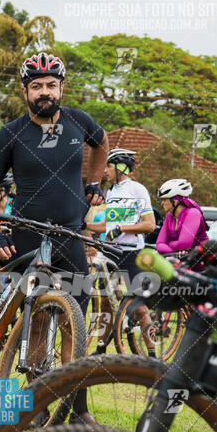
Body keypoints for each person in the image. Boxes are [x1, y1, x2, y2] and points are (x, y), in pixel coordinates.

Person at [0, 51, 109, 424]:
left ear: (62, 87)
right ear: (25, 91)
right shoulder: (10, 134)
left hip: (69, 235)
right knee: (35, 318)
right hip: (26, 234)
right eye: (36, 86)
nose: (45, 92)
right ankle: (36, 402)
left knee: (76, 324)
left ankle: (79, 411)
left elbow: (101, 145)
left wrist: (96, 181)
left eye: (51, 84)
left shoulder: (79, 122)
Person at [86, 148, 157, 356]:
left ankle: (152, 354)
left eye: (108, 166)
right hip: (110, 253)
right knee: (105, 304)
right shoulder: (112, 192)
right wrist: (85, 225)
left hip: (132, 253)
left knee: (140, 308)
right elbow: (109, 225)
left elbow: (149, 224)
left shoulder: (137, 190)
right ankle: (100, 349)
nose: (105, 171)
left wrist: (122, 229)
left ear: (121, 167)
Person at [156, 179, 208, 253]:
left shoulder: (193, 213)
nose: (162, 203)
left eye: (164, 200)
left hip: (199, 259)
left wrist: (168, 244)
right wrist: (173, 252)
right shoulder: (169, 216)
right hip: (179, 260)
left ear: (175, 201)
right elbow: (159, 244)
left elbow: (183, 244)